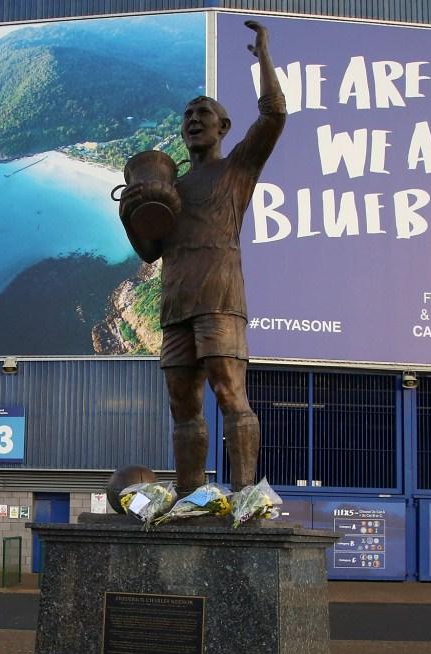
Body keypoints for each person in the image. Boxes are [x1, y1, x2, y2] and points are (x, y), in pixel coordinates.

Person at [119, 20, 285, 495]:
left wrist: (264, 57)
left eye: (203, 113)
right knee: (182, 407)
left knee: (231, 393)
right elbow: (150, 253)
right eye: (188, 115)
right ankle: (192, 498)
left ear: (223, 127)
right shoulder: (170, 189)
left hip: (219, 298)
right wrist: (132, 215)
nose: (193, 120)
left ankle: (245, 494)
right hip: (175, 305)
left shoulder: (237, 168)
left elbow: (274, 115)